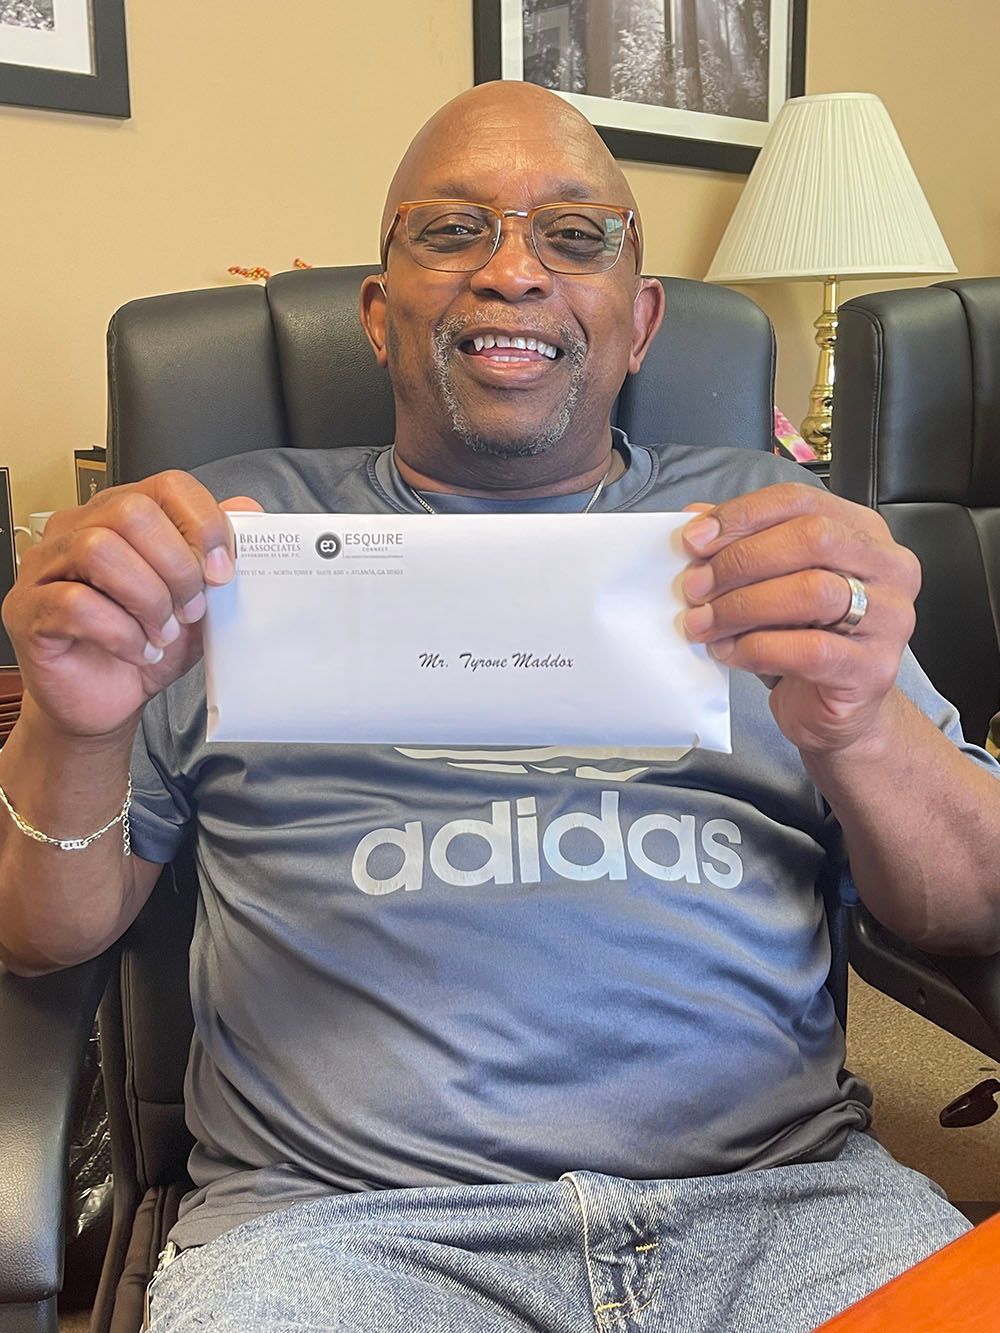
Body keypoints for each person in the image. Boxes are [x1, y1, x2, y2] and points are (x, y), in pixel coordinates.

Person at [2, 81, 1000, 1333]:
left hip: (785, 1212)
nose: (514, 271)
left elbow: (971, 903)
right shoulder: (216, 542)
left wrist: (860, 725)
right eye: (451, 230)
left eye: (573, 237)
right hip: (345, 1241)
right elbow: (45, 935)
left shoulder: (773, 537)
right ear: (379, 312)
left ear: (638, 323)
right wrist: (75, 725)